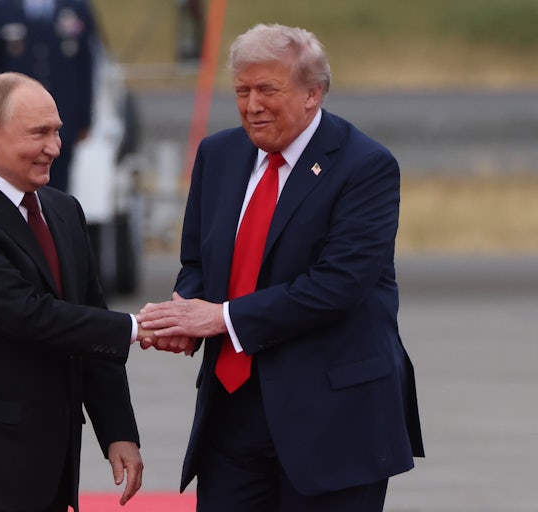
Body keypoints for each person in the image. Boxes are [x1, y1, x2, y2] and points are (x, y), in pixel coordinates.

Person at [136, 23, 424, 512]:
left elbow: (336, 286)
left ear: (314, 94)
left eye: (268, 89)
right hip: (232, 414)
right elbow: (199, 262)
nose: (252, 105)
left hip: (331, 420)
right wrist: (183, 315)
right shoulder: (219, 154)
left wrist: (220, 318)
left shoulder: (366, 166)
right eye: (242, 90)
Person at [0, 72, 149, 512]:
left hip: (49, 462)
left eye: (56, 131)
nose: (54, 147)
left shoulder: (64, 210)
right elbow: (28, 315)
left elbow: (87, 319)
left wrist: (118, 431)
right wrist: (138, 327)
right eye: (39, 133)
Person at [0, 0, 97, 192]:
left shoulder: (76, 7)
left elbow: (85, 67)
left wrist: (84, 118)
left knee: (58, 188)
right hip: (16, 121)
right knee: (15, 185)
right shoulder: (3, 8)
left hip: (62, 120)